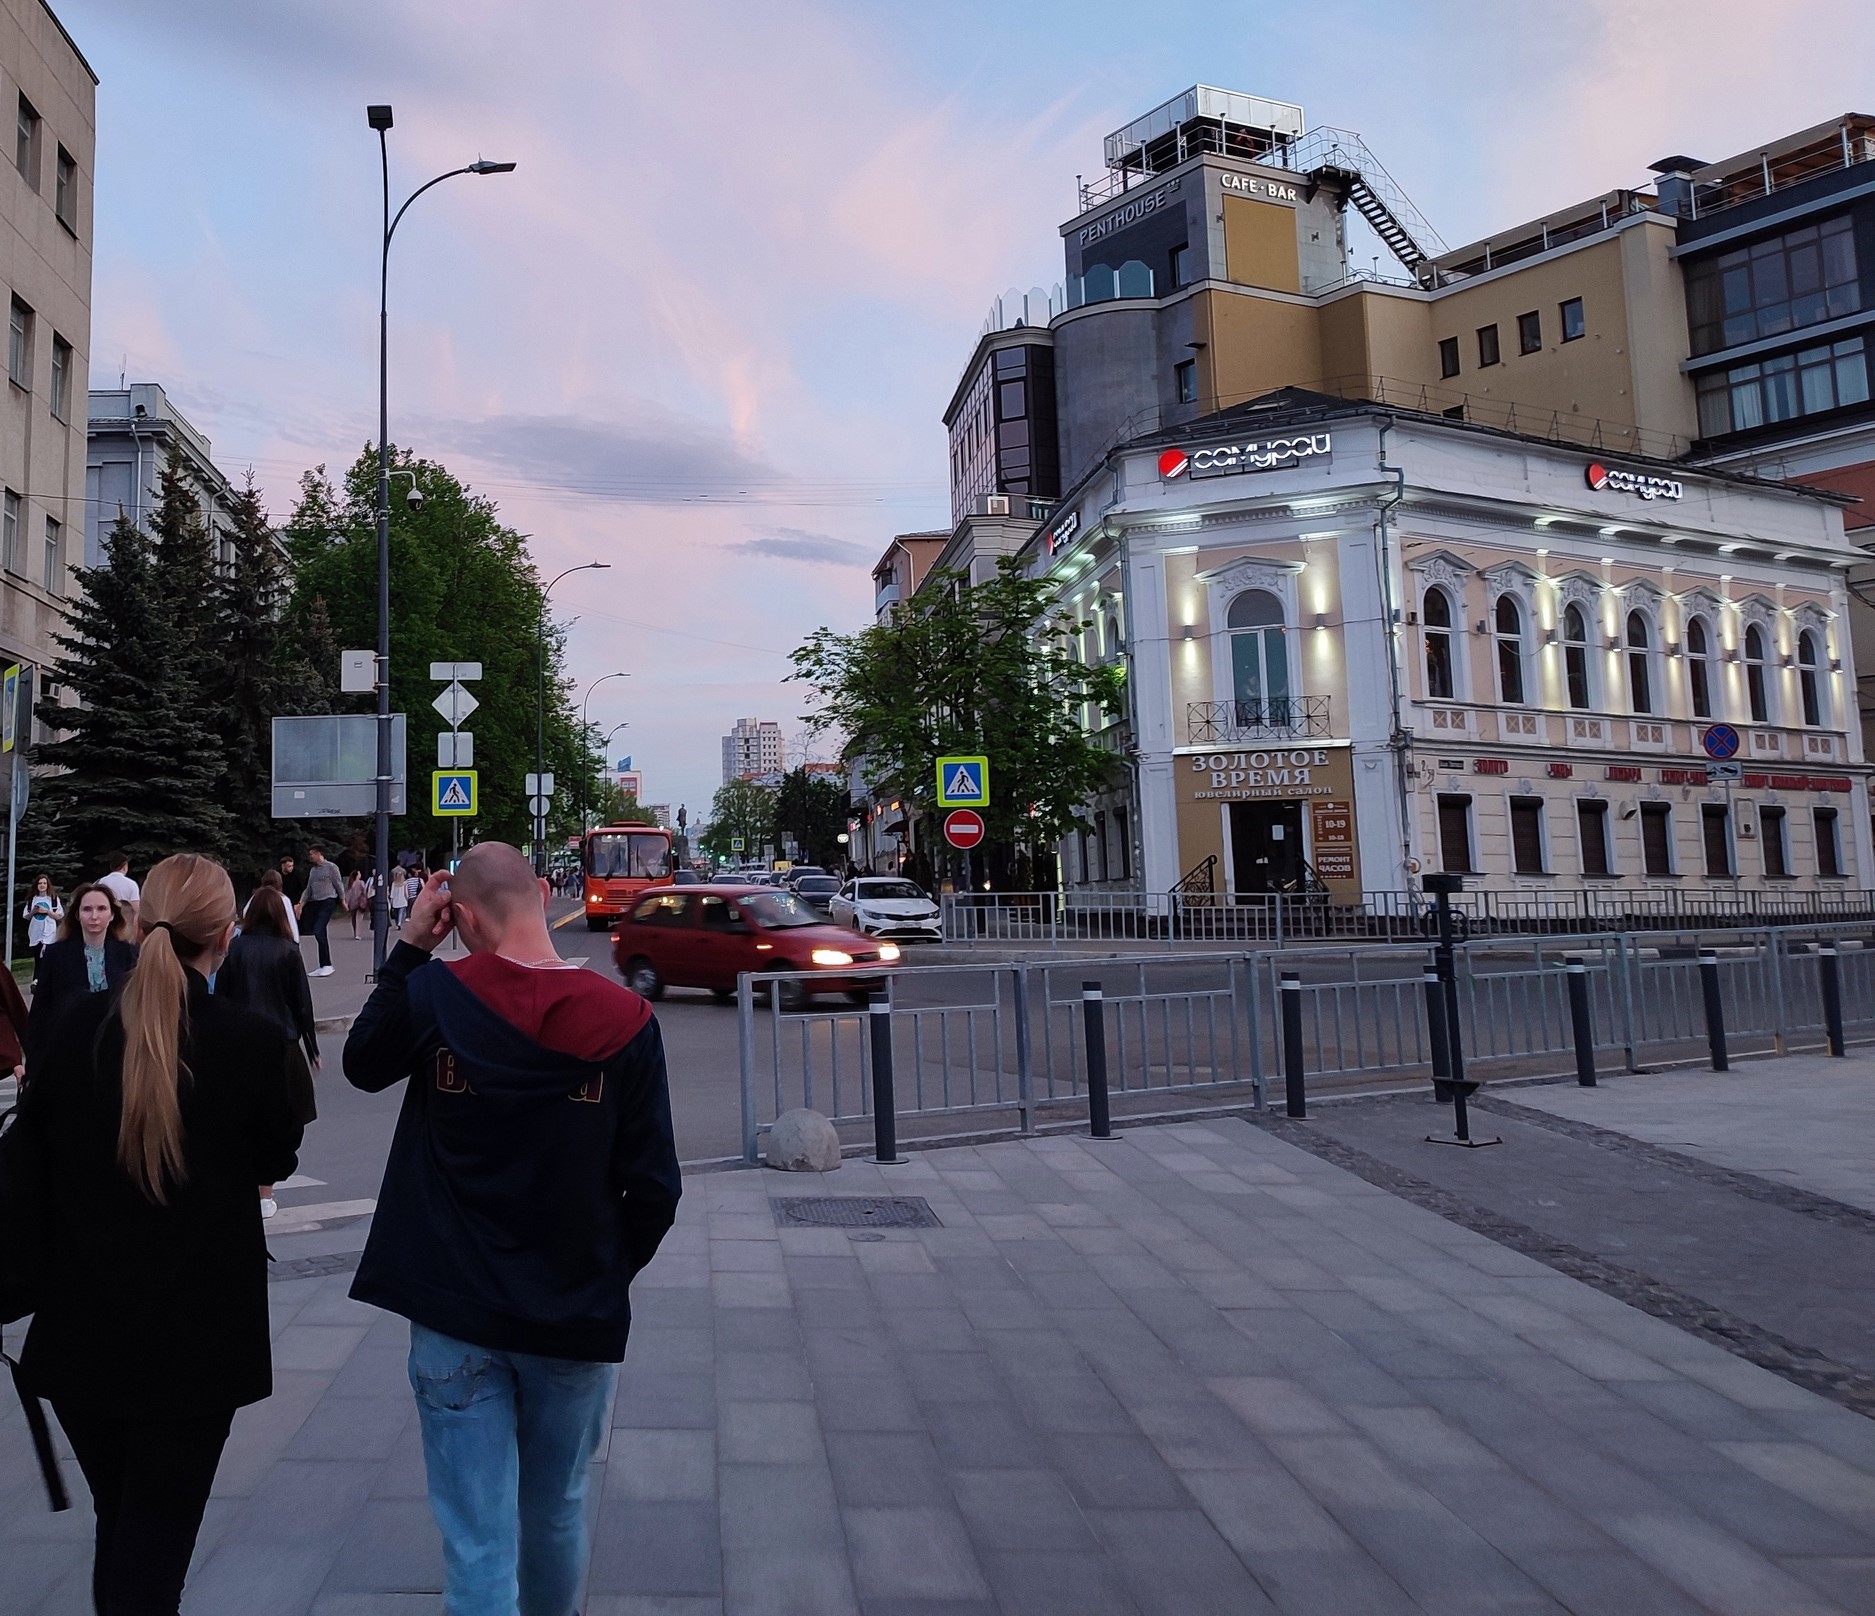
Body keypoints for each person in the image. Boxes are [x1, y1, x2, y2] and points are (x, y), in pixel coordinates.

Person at [344, 843, 680, 1614]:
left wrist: (407, 948)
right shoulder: (626, 1019)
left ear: (457, 916)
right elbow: (655, 1187)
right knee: (556, 1510)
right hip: (572, 1314)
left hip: (454, 1312)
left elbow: (363, 1062)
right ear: (539, 893)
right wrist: (599, 1270)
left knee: (475, 1538)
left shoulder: (436, 994)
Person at [16, 853, 303, 1614]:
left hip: (80, 1337)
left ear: (136, 925)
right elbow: (276, 1156)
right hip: (195, 1347)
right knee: (153, 1544)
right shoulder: (251, 1045)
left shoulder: (76, 1028)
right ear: (225, 936)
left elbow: (35, 1151)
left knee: (127, 1528)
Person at [216, 885, 321, 1219]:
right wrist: (312, 1047)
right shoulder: (288, 950)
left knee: (244, 1115)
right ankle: (267, 1190)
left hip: (240, 1043)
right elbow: (302, 1003)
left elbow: (222, 995)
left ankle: (248, 1182)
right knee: (289, 1114)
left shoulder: (235, 947)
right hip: (283, 1043)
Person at [29, 883, 138, 1065]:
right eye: (87, 909)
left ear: (112, 915)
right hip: (69, 1051)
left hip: (116, 1052)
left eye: (101, 909)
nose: (94, 916)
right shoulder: (56, 954)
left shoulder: (128, 953)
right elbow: (41, 1011)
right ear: (77, 915)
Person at [297, 844, 345, 978]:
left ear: (319, 853)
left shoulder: (331, 867)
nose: (310, 856)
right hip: (316, 902)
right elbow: (309, 889)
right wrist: (301, 904)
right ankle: (323, 964)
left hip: (328, 900)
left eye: (312, 853)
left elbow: (338, 884)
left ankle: (327, 964)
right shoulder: (313, 870)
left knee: (319, 929)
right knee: (318, 931)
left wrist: (343, 900)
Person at [22, 874, 62, 964]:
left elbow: (59, 916)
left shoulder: (53, 899)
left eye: (44, 883)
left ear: (48, 885)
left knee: (48, 959)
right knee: (38, 961)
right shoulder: (32, 900)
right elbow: (26, 917)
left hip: (50, 934)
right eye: (40, 883)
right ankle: (37, 978)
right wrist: (33, 911)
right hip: (36, 934)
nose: (42, 885)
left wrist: (47, 911)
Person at [97, 852, 140, 931]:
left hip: (106, 922)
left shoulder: (102, 882)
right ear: (124, 866)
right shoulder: (131, 883)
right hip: (125, 923)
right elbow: (136, 907)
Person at [256, 870, 300, 942]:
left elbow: (246, 913)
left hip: (258, 938)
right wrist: (296, 941)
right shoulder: (283, 899)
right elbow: (290, 920)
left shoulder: (256, 897)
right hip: (279, 939)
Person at [345, 869, 369, 939]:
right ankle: (357, 934)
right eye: (359, 874)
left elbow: (348, 894)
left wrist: (347, 903)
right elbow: (364, 891)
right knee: (358, 918)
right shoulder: (360, 882)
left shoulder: (350, 883)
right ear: (357, 875)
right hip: (359, 902)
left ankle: (355, 932)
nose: (360, 875)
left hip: (352, 903)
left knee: (353, 919)